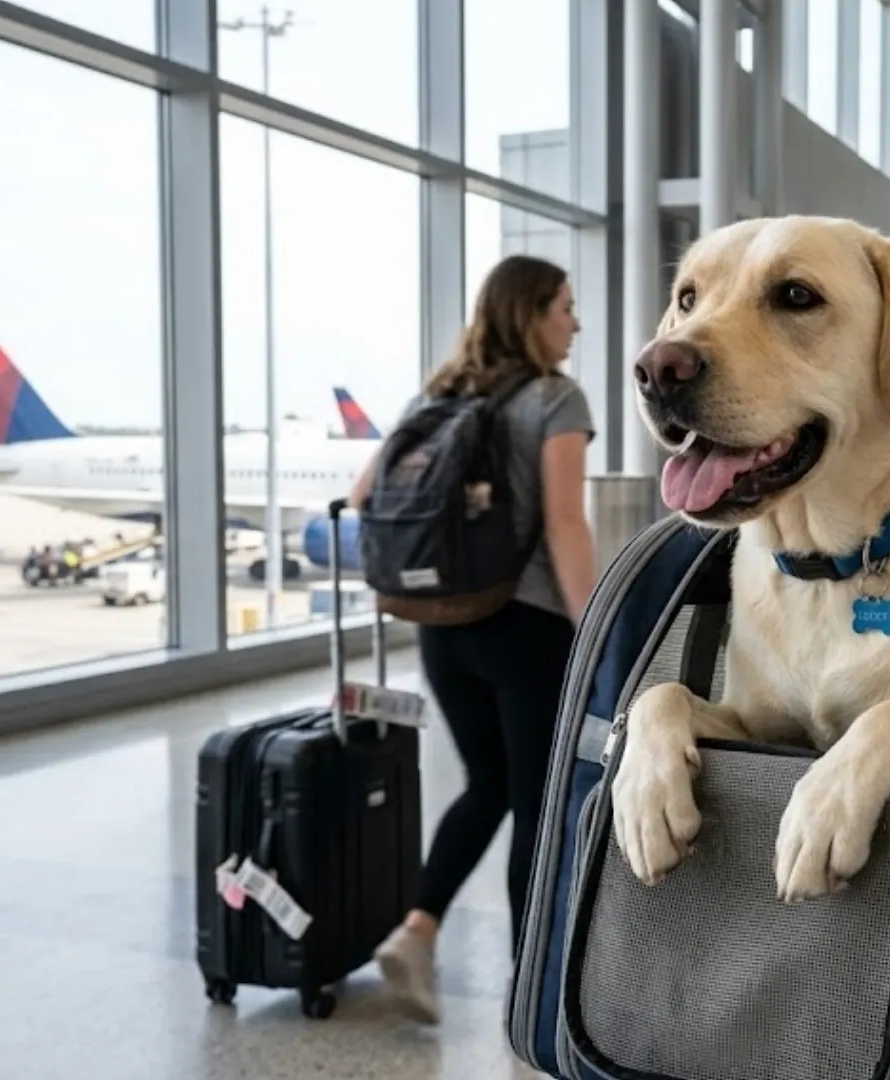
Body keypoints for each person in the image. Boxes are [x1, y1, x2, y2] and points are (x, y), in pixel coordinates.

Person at [354, 255, 596, 1024]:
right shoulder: (556, 399)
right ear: (530, 314)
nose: (575, 323)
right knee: (537, 805)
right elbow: (564, 523)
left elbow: (364, 494)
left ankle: (417, 931)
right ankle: (531, 987)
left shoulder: (439, 394)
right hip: (524, 630)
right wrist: (594, 628)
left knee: (486, 785)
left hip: (444, 628)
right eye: (564, 307)